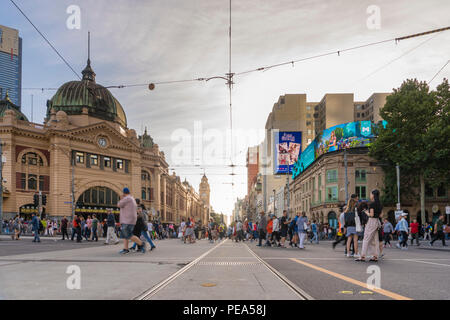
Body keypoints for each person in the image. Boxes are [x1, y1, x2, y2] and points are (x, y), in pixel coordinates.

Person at [356, 189, 382, 262]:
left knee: (366, 239)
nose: (370, 196)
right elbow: (381, 215)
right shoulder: (380, 204)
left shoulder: (372, 204)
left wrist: (365, 212)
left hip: (371, 222)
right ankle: (375, 256)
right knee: (375, 239)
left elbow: (371, 215)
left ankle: (363, 256)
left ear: (373, 195)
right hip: (377, 222)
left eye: (370, 194)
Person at [118, 188, 144, 254]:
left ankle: (141, 243)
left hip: (127, 220)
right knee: (125, 235)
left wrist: (121, 198)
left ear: (124, 193)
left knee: (128, 235)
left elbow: (119, 205)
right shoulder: (131, 198)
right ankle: (125, 249)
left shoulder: (127, 199)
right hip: (130, 219)